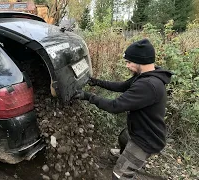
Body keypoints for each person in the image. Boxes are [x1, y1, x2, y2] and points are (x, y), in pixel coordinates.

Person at [73, 39, 173, 180]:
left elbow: (115, 106)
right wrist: (96, 81)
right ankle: (124, 154)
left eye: (129, 62)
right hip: (140, 128)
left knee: (119, 175)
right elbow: (121, 86)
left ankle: (128, 166)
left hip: (146, 139)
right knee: (124, 136)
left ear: (140, 61)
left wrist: (87, 96)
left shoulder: (148, 85)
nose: (127, 65)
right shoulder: (146, 75)